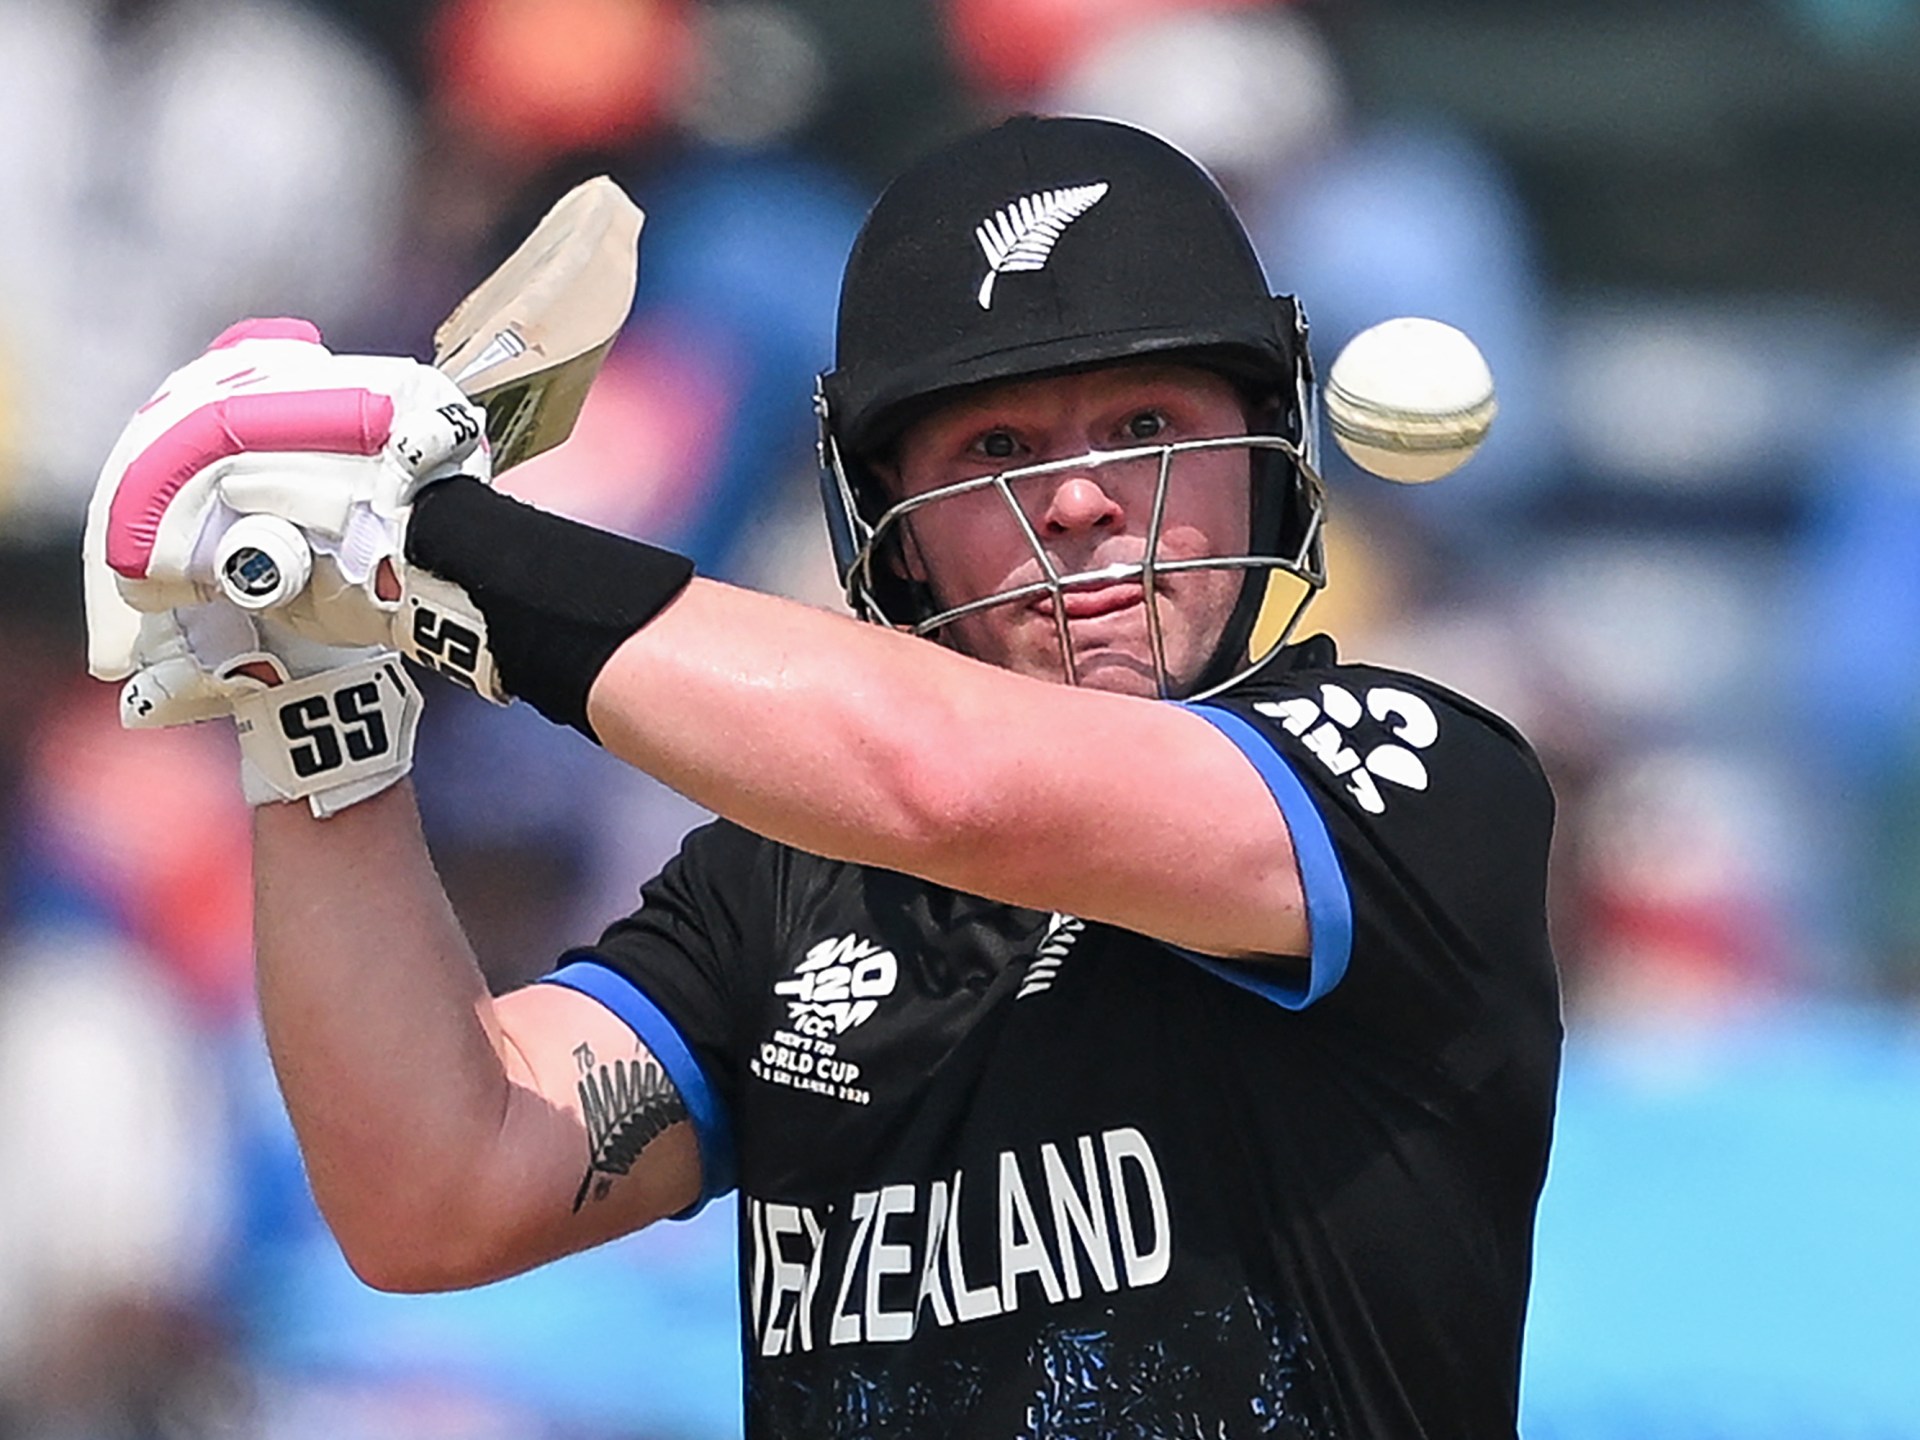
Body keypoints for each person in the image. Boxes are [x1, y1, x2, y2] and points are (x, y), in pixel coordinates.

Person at [83, 116, 1561, 1438]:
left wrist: (427, 542)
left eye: (1147, 427)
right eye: (996, 445)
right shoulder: (780, 887)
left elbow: (950, 781)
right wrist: (315, 709)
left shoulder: (1409, 779)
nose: (1080, 499)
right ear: (889, 522)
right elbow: (434, 1194)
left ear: (1266, 450)